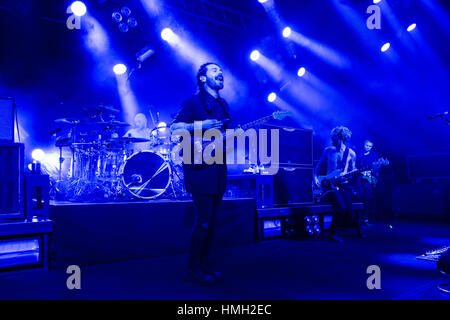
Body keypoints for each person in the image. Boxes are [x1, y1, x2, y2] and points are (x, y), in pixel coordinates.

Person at [171, 62, 231, 284]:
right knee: (203, 220)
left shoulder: (223, 105)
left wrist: (236, 135)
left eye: (221, 70)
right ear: (203, 78)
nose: (220, 72)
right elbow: (173, 128)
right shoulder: (193, 102)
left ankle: (204, 264)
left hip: (217, 167)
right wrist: (201, 125)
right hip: (198, 168)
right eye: (215, 70)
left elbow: (226, 137)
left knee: (213, 221)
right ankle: (192, 269)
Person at [314, 126, 363, 242]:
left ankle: (359, 231)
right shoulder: (328, 150)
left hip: (344, 184)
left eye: (334, 136)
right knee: (341, 208)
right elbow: (319, 166)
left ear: (341, 137)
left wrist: (356, 173)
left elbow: (352, 170)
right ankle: (332, 233)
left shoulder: (351, 153)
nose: (332, 138)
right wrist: (316, 178)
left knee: (350, 212)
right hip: (330, 185)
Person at [357, 140, 379, 225]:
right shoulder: (358, 156)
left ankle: (365, 218)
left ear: (372, 147)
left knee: (367, 199)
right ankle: (358, 219)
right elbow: (356, 167)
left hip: (369, 181)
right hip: (359, 180)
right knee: (360, 199)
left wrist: (371, 172)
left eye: (370, 146)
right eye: (366, 145)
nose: (368, 147)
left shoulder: (374, 156)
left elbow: (377, 168)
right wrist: (360, 172)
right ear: (364, 144)